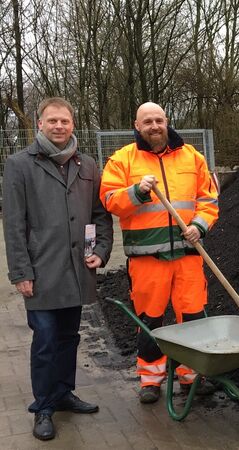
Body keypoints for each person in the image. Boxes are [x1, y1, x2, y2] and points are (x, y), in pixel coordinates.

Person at [2, 97, 113, 441]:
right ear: (39, 124)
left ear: (73, 124)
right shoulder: (20, 165)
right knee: (46, 340)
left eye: (65, 121)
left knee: (68, 337)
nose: (59, 126)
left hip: (77, 271)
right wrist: (21, 272)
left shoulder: (88, 165)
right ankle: (44, 406)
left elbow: (99, 215)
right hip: (42, 272)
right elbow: (14, 225)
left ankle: (64, 393)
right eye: (52, 121)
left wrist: (102, 251)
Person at [100, 102, 218, 404]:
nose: (154, 126)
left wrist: (199, 227)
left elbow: (209, 198)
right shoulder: (123, 160)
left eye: (159, 120)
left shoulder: (192, 157)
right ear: (137, 126)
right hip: (146, 257)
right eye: (147, 121)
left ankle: (192, 375)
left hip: (188, 254)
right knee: (150, 320)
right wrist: (137, 191)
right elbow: (110, 200)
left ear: (167, 121)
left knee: (193, 318)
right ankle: (151, 379)